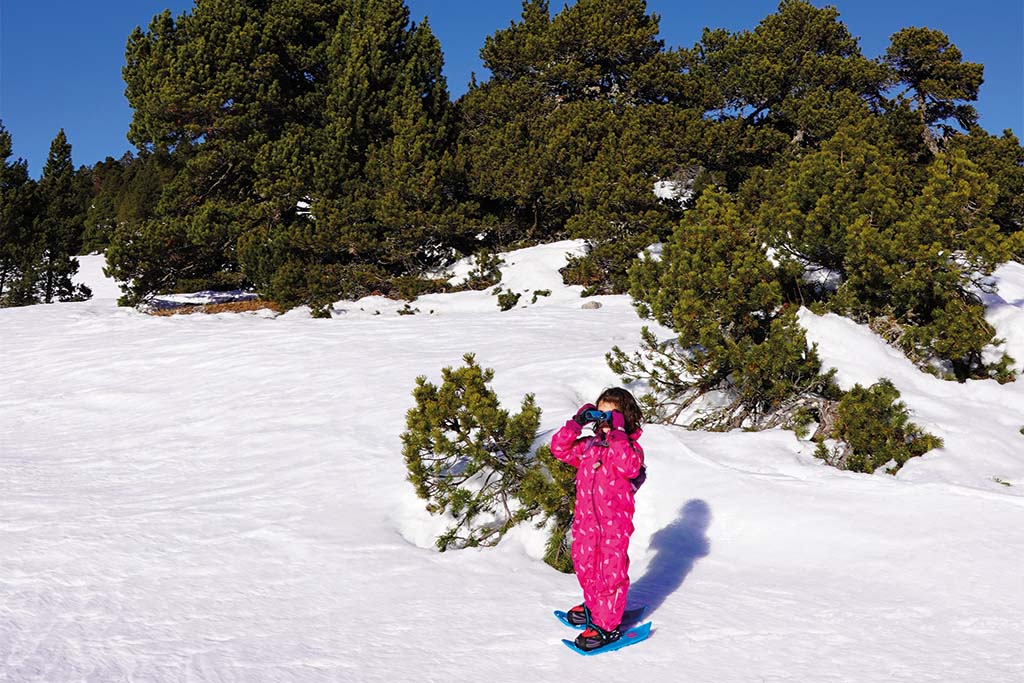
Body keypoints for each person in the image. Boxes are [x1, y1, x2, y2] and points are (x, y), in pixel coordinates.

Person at [550, 387, 646, 652]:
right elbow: (559, 448)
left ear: (624, 418)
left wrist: (617, 433)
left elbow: (629, 466)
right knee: (585, 565)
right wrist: (576, 422)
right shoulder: (589, 447)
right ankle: (594, 607)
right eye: (599, 414)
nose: (603, 421)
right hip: (586, 524)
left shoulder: (629, 449)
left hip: (613, 526)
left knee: (609, 573)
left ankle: (607, 627)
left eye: (610, 415)